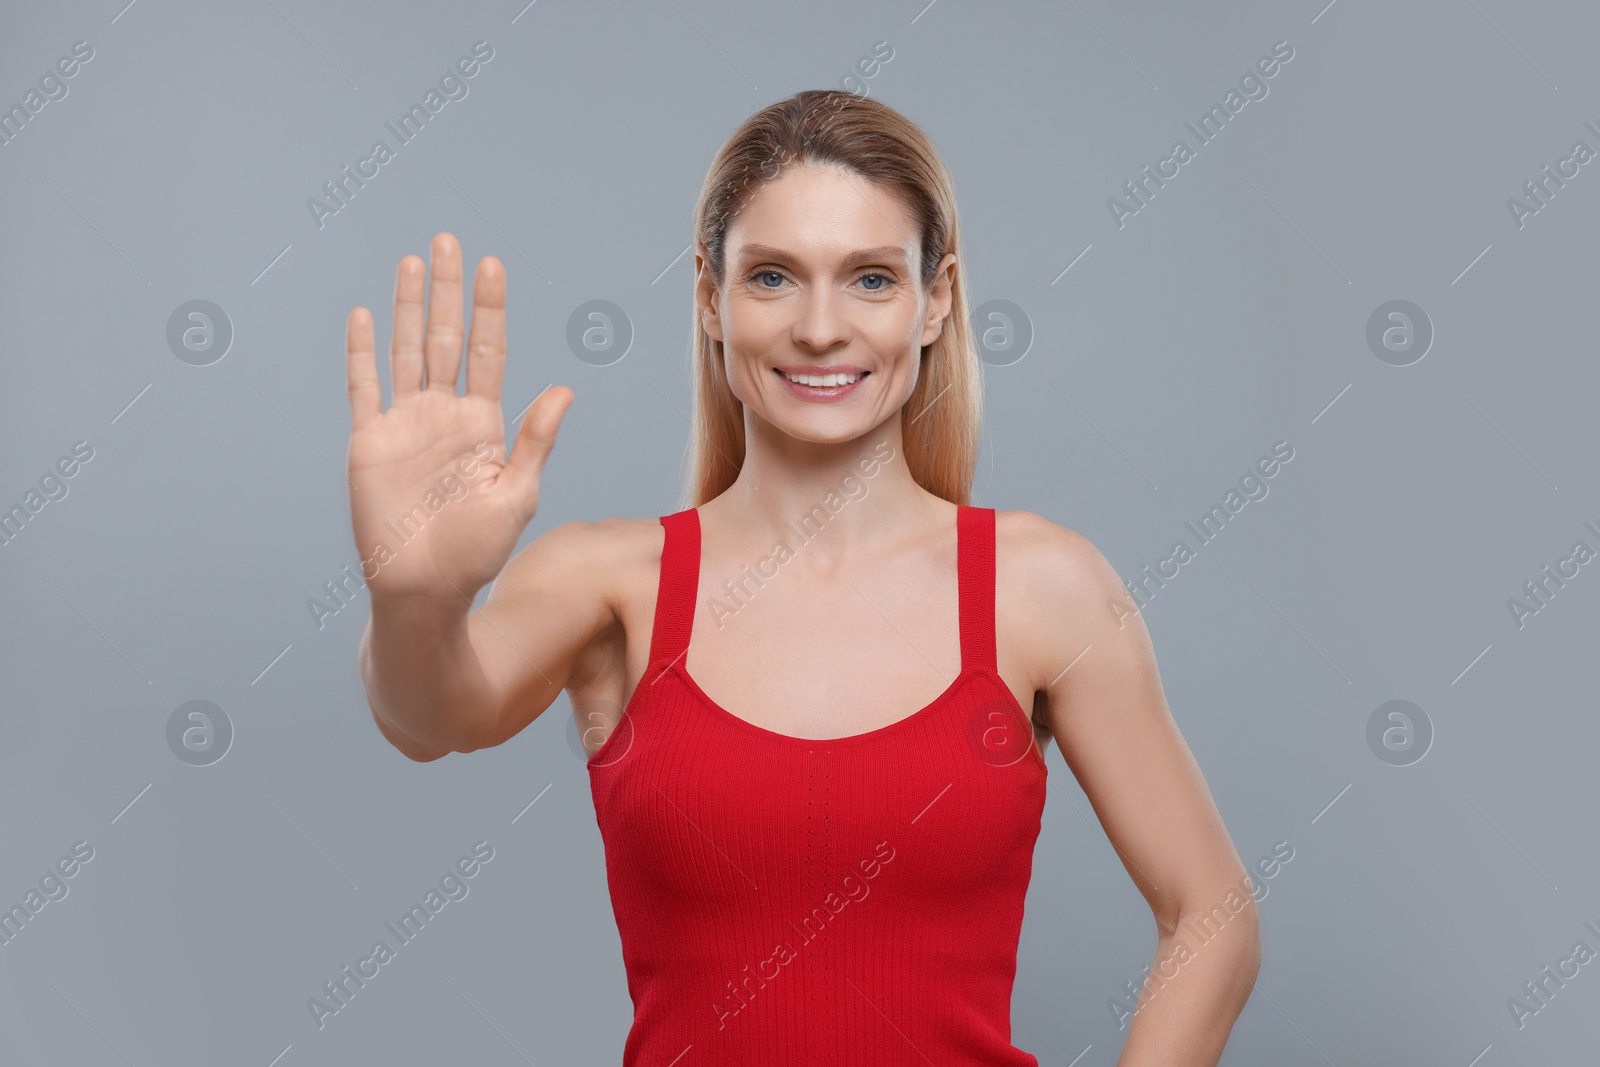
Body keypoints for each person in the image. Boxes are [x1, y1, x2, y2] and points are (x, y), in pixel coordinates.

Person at [345, 89, 1259, 1066]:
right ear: (708, 293)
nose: (820, 328)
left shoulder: (1041, 586)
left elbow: (1211, 915)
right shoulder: (612, 580)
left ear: (935, 296)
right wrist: (415, 597)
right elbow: (428, 717)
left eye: (870, 279)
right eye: (773, 276)